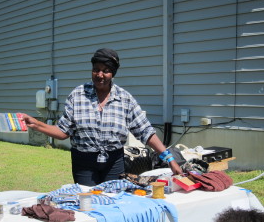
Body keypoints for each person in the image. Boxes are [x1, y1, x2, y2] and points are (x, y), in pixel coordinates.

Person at [22, 48, 182, 186]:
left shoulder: (124, 99)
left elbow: (145, 131)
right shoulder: (78, 95)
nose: (100, 75)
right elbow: (63, 131)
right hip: (84, 163)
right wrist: (35, 123)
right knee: (88, 204)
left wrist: (169, 159)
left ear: (113, 73)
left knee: (113, 203)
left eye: (105, 70)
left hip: (114, 163)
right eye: (96, 69)